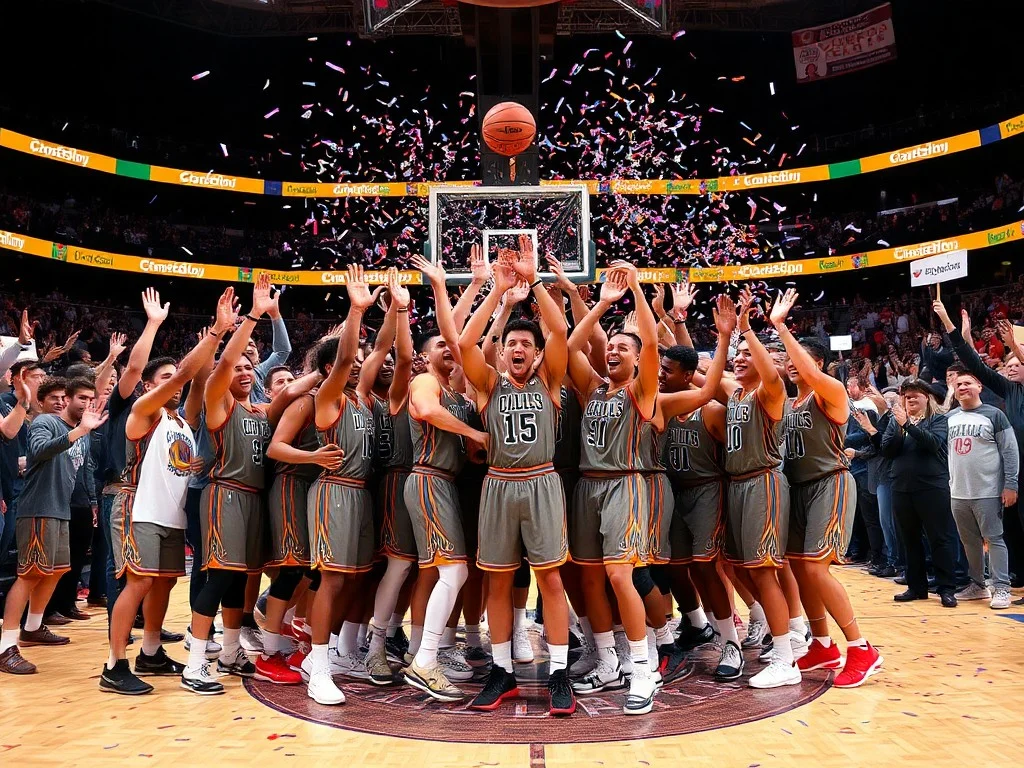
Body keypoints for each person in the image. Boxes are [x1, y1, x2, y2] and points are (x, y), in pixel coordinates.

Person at [457, 240, 575, 715]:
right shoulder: (488, 385)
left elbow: (561, 329)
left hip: (542, 482)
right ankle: (502, 671)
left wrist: (536, 283)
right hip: (499, 485)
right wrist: (496, 291)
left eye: (527, 343)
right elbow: (466, 343)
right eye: (512, 344)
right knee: (499, 584)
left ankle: (560, 673)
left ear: (537, 353)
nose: (519, 348)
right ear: (502, 353)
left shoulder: (550, 383)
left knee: (549, 579)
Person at [100, 289, 237, 694]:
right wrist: (214, 332)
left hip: (170, 512)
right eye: (163, 379)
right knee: (138, 583)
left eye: (172, 379)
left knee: (164, 582)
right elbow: (182, 375)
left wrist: (223, 338)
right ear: (147, 385)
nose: (172, 384)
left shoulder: (181, 419)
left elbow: (197, 380)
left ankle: (152, 650)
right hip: (136, 506)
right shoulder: (143, 410)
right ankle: (114, 664)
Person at [563, 263, 665, 715]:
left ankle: (643, 669)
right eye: (612, 347)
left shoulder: (640, 391)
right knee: (588, 577)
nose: (613, 352)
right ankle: (607, 661)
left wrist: (637, 292)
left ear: (637, 359)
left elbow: (652, 343)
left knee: (621, 575)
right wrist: (601, 303)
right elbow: (569, 347)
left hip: (626, 484)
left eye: (623, 347)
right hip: (588, 487)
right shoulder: (593, 388)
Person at [769, 288, 882, 688]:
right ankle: (823, 644)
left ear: (817, 363)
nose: (790, 365)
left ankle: (861, 647)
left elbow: (813, 374)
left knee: (816, 569)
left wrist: (781, 327)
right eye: (786, 360)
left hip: (829, 484)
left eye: (798, 359)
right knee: (799, 569)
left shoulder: (829, 392)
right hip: (797, 489)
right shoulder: (787, 403)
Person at [183, 275, 277, 695]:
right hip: (225, 496)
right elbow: (222, 366)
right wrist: (252, 317)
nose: (243, 370)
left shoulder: (258, 410)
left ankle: (230, 651)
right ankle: (194, 661)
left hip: (254, 500)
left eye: (247, 367)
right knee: (219, 579)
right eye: (237, 366)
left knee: (239, 582)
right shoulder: (219, 406)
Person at [302, 265, 384, 705]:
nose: (354, 367)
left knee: (354, 578)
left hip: (361, 494)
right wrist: (355, 312)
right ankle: (318, 666)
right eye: (343, 364)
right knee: (332, 580)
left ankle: (331, 652)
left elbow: (381, 351)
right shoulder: (329, 396)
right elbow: (350, 358)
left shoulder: (362, 397)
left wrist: (397, 310)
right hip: (334, 489)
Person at [716, 288, 796, 689]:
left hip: (763, 482)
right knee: (736, 565)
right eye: (738, 356)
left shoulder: (770, 393)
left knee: (765, 572)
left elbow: (770, 373)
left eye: (748, 354)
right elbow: (695, 373)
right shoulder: (735, 394)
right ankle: (772, 627)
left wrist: (747, 330)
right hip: (737, 487)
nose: (741, 358)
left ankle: (786, 658)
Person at [0, 377, 107, 674]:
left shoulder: (78, 431)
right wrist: (81, 431)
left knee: (57, 570)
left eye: (89, 398)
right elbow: (40, 451)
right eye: (77, 398)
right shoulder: (45, 422)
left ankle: (33, 628)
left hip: (62, 510)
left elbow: (81, 470)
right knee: (30, 574)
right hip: (38, 508)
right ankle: (5, 646)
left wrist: (91, 502)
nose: (65, 402)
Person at [880, 379, 960, 608]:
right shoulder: (896, 423)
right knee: (909, 539)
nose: (911, 399)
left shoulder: (938, 420)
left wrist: (908, 426)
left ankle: (947, 588)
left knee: (939, 538)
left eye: (916, 395)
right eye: (907, 396)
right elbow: (887, 450)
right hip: (901, 487)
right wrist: (898, 427)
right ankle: (916, 587)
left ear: (928, 398)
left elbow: (933, 444)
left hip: (932, 486)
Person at [945, 370, 1019, 609]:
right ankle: (977, 585)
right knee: (969, 541)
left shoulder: (994, 414)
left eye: (967, 383)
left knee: (995, 538)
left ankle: (1002, 588)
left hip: (988, 490)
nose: (962, 387)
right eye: (958, 384)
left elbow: (1010, 451)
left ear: (979, 386)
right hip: (958, 491)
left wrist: (1011, 484)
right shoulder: (951, 417)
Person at [247, 291, 292, 405]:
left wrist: (275, 315)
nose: (248, 348)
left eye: (252, 344)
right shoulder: (225, 371)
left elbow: (282, 351)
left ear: (258, 356)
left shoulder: (260, 371)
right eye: (242, 345)